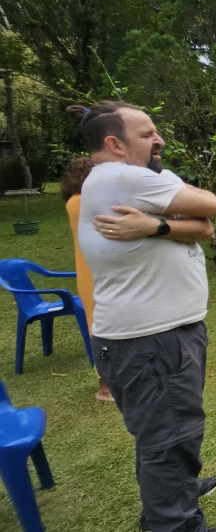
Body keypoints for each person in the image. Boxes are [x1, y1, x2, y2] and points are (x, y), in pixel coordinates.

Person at [71, 101, 216, 532]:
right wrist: (170, 218)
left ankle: (174, 494)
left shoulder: (131, 180)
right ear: (115, 143)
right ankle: (175, 522)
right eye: (147, 134)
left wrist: (155, 226)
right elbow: (212, 205)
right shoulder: (121, 176)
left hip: (153, 337)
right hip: (149, 340)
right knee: (168, 440)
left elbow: (204, 228)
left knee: (167, 435)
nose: (159, 140)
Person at [61, 157, 113, 402]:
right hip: (93, 273)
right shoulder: (80, 202)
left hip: (94, 270)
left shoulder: (79, 201)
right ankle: (105, 386)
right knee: (100, 327)